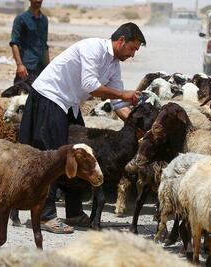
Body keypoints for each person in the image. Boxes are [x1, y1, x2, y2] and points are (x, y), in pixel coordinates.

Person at [10, 22, 146, 234]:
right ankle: (46, 216)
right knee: (53, 156)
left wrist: (137, 126)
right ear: (121, 41)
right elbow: (90, 85)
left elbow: (119, 105)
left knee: (80, 154)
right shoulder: (93, 48)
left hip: (69, 104)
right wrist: (123, 94)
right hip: (50, 96)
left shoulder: (113, 65)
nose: (133, 54)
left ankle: (73, 213)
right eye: (132, 48)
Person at [10, 0, 49, 85]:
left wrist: (48, 67)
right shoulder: (21, 19)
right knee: (21, 95)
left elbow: (45, 45)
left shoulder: (44, 20)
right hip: (26, 68)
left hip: (41, 68)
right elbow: (14, 43)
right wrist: (19, 65)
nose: (38, 0)